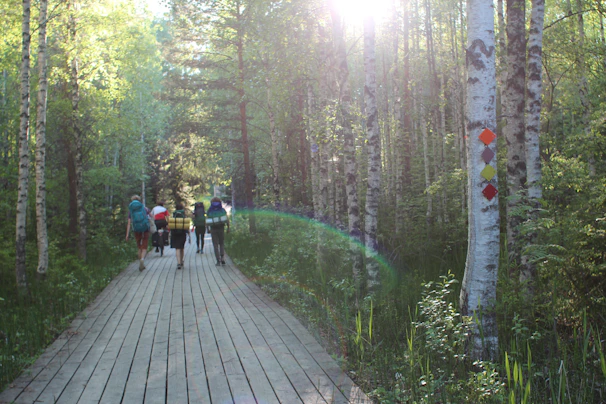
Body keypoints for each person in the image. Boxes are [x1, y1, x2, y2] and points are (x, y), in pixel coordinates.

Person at [125, 195, 151, 271]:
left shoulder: (131, 211)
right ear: (139, 200)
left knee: (139, 246)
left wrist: (127, 234)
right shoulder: (144, 208)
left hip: (136, 229)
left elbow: (129, 223)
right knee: (144, 246)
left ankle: (140, 260)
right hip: (145, 228)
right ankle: (142, 259)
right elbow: (152, 216)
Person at [206, 196, 230, 265]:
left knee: (215, 245)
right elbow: (226, 219)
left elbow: (207, 220)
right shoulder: (222, 210)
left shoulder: (210, 210)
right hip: (221, 228)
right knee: (221, 243)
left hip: (213, 229)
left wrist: (208, 229)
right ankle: (222, 257)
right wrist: (228, 228)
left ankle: (218, 260)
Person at [170, 202, 190, 269]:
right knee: (182, 247)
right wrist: (189, 235)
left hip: (175, 233)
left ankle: (178, 263)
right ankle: (181, 261)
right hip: (183, 233)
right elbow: (187, 226)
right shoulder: (183, 215)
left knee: (177, 248)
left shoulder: (174, 214)